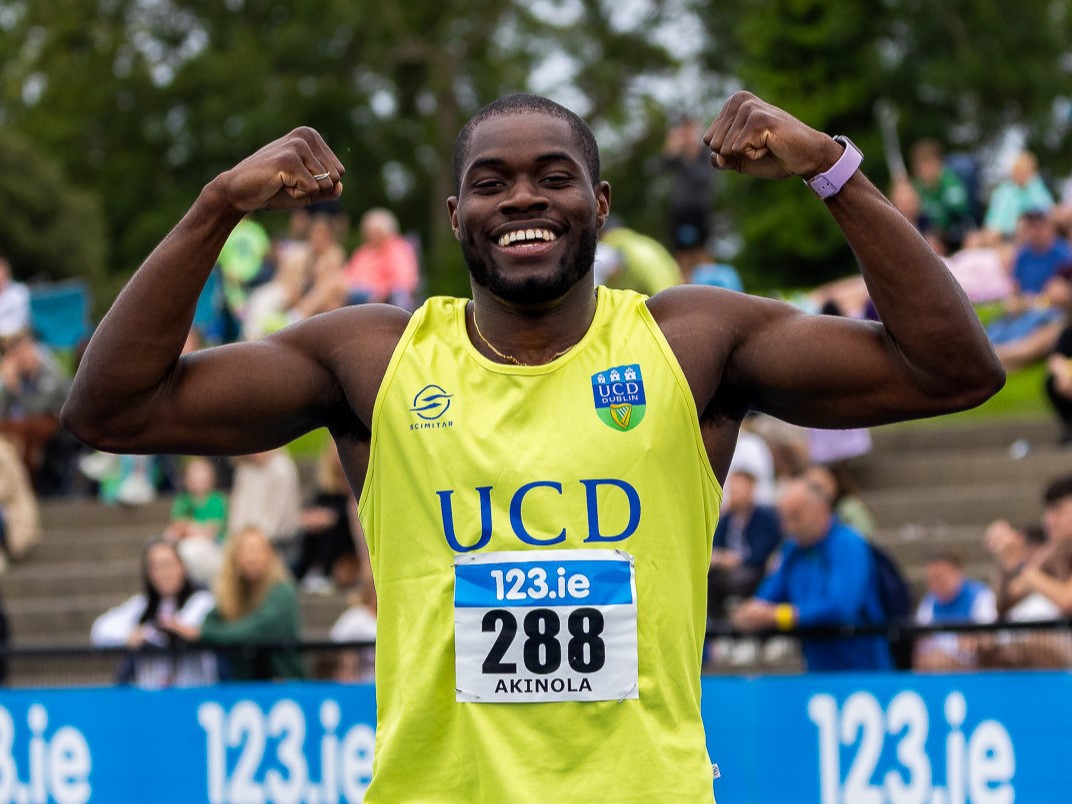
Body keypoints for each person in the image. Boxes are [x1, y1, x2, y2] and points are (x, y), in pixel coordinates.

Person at [61, 91, 1003, 800]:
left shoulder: (690, 342)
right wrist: (216, 207)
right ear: (455, 216)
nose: (523, 199)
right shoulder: (373, 358)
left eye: (554, 177)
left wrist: (831, 170)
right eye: (491, 183)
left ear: (599, 203)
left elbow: (952, 370)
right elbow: (113, 411)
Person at [732, 478, 893, 671]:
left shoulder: (847, 543)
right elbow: (767, 596)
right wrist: (749, 612)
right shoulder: (792, 549)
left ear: (822, 510)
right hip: (817, 671)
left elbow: (841, 606)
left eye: (796, 516)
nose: (789, 527)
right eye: (784, 518)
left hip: (863, 672)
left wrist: (780, 615)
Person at [168, 526, 303, 681]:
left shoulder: (283, 591)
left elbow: (254, 630)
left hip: (282, 682)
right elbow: (210, 621)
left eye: (256, 550)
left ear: (269, 554)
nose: (251, 557)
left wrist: (203, 634)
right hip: (243, 684)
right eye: (244, 551)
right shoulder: (232, 594)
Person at [90, 537, 217, 688]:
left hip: (193, 693)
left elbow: (194, 626)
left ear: (182, 566)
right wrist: (129, 636)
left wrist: (177, 629)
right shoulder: (141, 605)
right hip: (151, 694)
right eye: (154, 567)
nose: (162, 573)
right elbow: (99, 630)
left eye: (166, 565)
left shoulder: (202, 600)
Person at [708, 469, 782, 623]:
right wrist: (721, 559)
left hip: (753, 571)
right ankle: (714, 621)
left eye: (738, 490)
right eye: (732, 490)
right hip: (726, 571)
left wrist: (735, 560)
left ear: (751, 489)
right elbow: (715, 545)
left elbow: (761, 553)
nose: (733, 494)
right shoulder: (726, 519)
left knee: (740, 579)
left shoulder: (765, 518)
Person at [912, 551, 997, 671]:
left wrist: (975, 641)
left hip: (974, 668)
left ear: (958, 573)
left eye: (940, 577)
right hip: (938, 666)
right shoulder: (929, 602)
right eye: (931, 579)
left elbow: (987, 637)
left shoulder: (981, 596)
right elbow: (921, 644)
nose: (935, 584)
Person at [166, 457, 229, 586]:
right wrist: (192, 529)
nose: (197, 481)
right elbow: (175, 527)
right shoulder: (182, 500)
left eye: (201, 476)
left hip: (214, 547)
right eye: (194, 476)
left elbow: (211, 532)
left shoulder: (218, 500)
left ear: (211, 478)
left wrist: (187, 528)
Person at [343, 208, 421, 308]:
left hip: (382, 296)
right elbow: (348, 275)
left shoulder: (398, 249)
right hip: (354, 292)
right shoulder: (363, 251)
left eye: (376, 231)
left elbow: (404, 281)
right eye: (369, 231)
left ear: (388, 231)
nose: (371, 235)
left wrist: (381, 291)